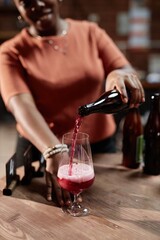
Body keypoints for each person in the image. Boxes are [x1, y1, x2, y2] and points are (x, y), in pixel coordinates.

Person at [0, 0, 145, 206]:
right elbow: (21, 105)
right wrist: (54, 150)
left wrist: (117, 77)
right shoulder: (11, 50)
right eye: (27, 1)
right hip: (43, 150)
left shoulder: (90, 32)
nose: (38, 4)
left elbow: (124, 69)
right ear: (19, 9)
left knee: (111, 207)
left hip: (100, 148)